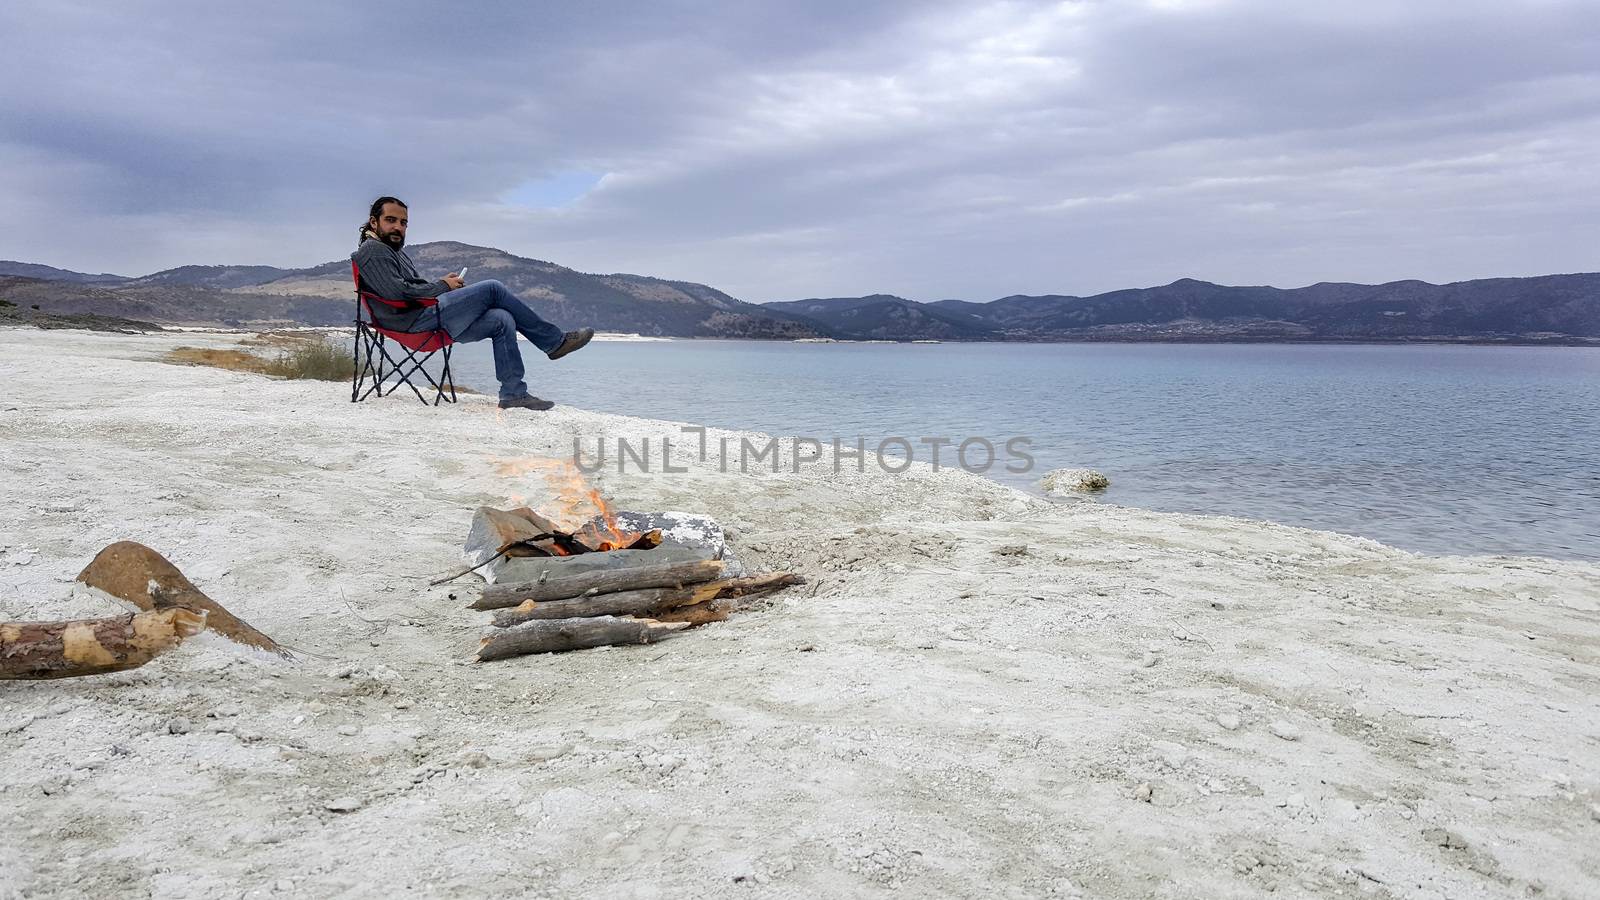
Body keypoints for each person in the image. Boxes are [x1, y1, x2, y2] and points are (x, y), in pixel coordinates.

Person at [352, 196, 593, 410]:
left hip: (425, 317)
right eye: (391, 220)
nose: (398, 227)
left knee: (502, 318)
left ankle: (513, 394)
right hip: (411, 323)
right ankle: (554, 342)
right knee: (493, 288)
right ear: (374, 222)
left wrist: (445, 287)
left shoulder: (393, 251)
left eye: (403, 223)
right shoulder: (373, 250)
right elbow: (397, 293)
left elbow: (409, 287)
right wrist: (443, 286)